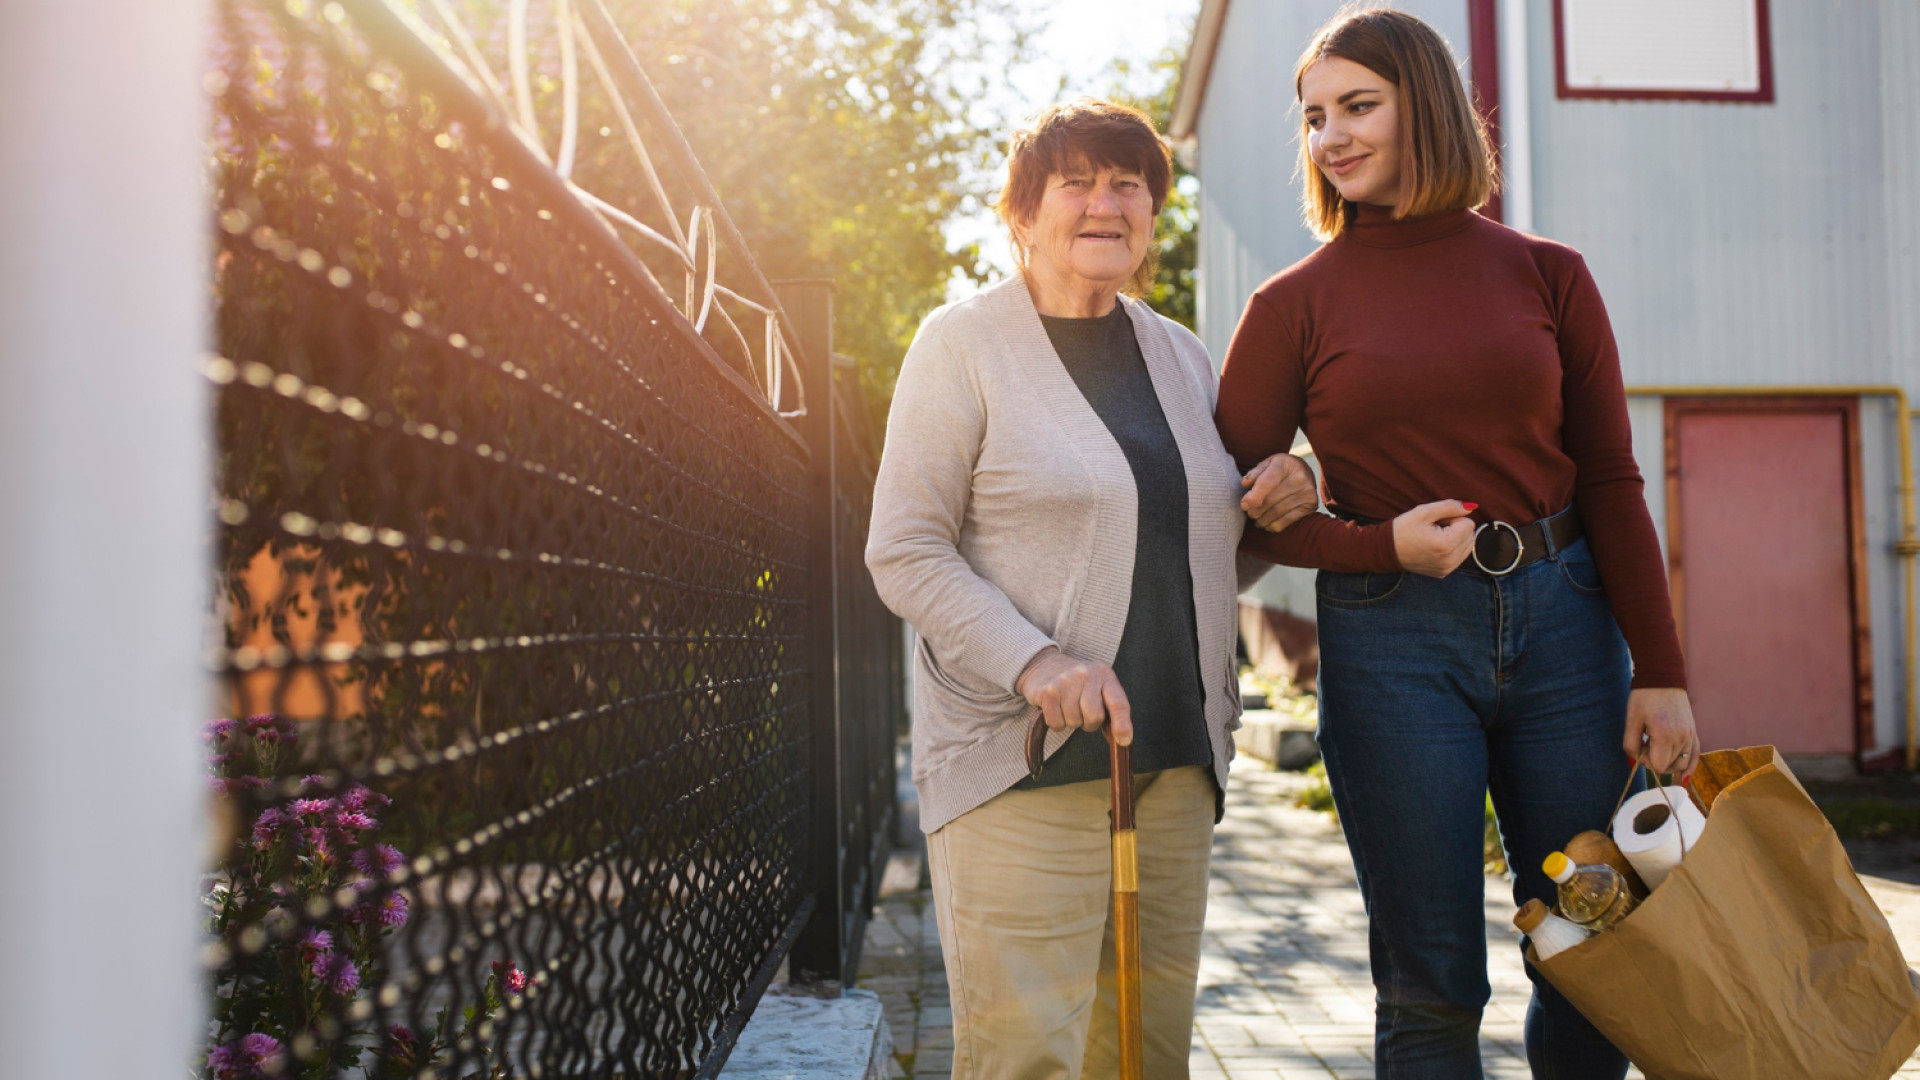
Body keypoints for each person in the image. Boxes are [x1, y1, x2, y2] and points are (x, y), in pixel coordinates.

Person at [1218, 11, 1700, 1080]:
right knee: (1432, 977)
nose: (1330, 136)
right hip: (1393, 648)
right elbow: (1228, 520)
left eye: (1357, 106)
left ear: (1424, 105)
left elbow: (1612, 477)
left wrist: (1661, 672)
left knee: (1592, 945)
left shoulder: (1549, 274)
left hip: (1569, 630)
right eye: (1312, 117)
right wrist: (1370, 545)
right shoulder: (1290, 305)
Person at [865, 98, 1314, 1078]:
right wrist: (1036, 662)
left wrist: (1287, 498)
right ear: (1022, 213)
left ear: (1153, 212)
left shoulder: (1180, 352)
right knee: (1029, 1059)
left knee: (1147, 1059)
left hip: (1173, 767)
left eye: (1129, 183)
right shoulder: (962, 345)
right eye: (1076, 181)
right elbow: (904, 548)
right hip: (1022, 768)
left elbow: (1199, 553)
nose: (1105, 203)